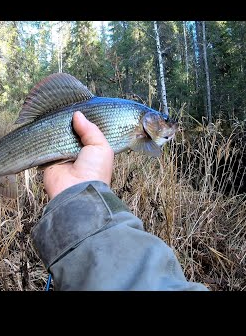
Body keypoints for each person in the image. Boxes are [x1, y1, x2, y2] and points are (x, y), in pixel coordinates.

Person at [34, 111, 208, 291]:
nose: (169, 124)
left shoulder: (142, 128)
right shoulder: (139, 125)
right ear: (147, 119)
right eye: (164, 120)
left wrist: (79, 187)